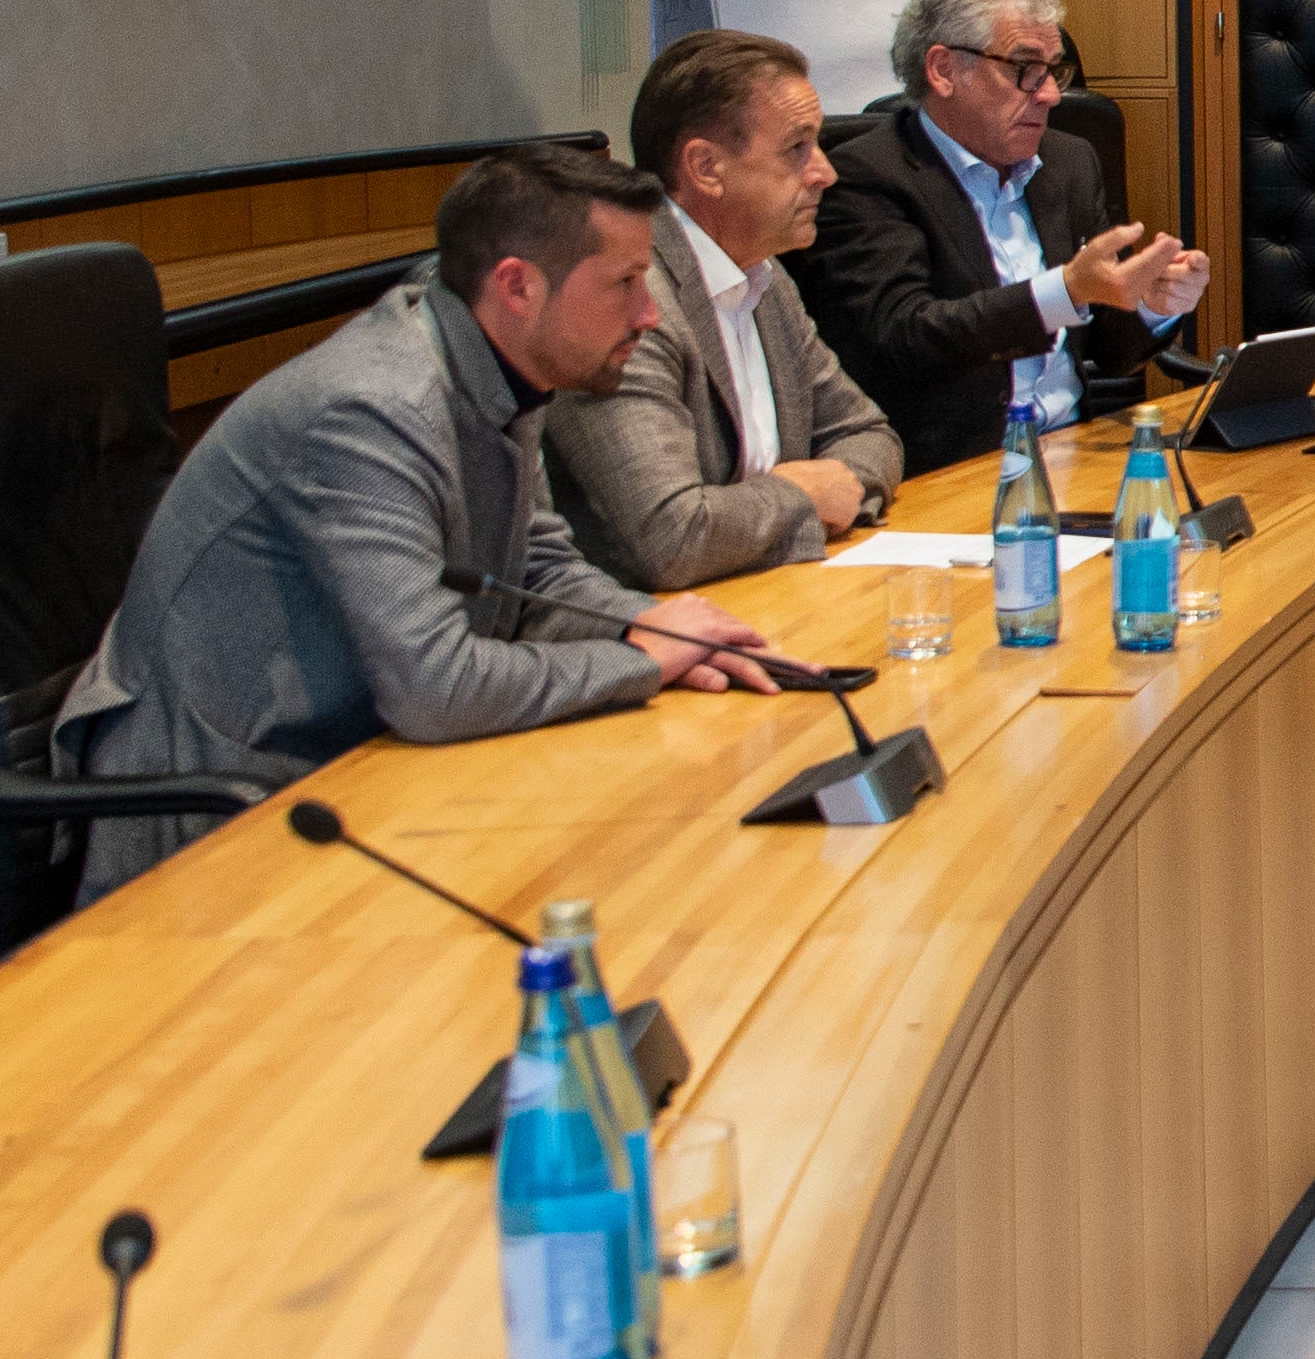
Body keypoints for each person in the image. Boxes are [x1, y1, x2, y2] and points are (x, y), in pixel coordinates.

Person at [56, 146, 784, 898]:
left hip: (349, 756)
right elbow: (432, 686)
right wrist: (639, 661)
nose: (650, 314)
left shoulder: (504, 359)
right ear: (517, 286)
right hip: (218, 811)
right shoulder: (372, 410)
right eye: (626, 283)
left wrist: (660, 626)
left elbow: (534, 568)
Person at [810, 0, 1210, 474]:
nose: (1048, 94)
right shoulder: (866, 176)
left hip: (1076, 455)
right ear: (944, 70)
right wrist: (1063, 291)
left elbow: (1111, 353)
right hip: (956, 472)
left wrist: (1153, 305)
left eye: (1052, 71)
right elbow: (904, 335)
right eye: (1024, 69)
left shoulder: (1069, 161)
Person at [551, 26, 910, 589]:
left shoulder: (765, 278)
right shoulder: (632, 303)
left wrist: (807, 499)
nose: (825, 172)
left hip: (765, 598)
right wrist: (800, 497)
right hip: (652, 636)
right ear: (705, 168)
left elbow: (869, 433)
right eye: (797, 149)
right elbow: (670, 540)